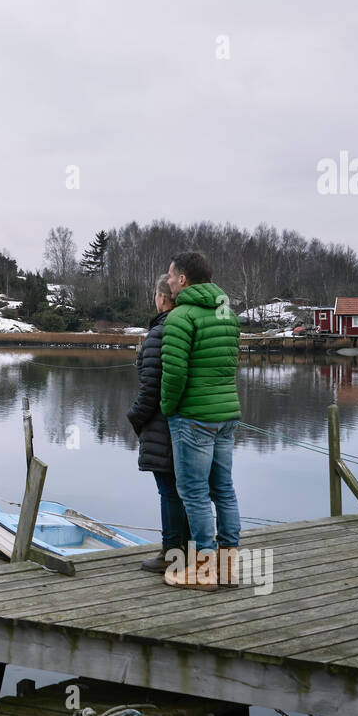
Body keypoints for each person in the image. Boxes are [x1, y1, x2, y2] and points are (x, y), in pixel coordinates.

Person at [160, 251, 242, 589]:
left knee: (192, 492)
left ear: (182, 279)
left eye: (170, 274)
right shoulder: (227, 313)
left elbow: (175, 372)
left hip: (193, 417)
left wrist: (168, 407)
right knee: (223, 489)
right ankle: (227, 566)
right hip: (226, 416)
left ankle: (204, 568)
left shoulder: (181, 316)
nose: (166, 280)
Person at [127, 275, 191, 572]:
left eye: (156, 294)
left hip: (162, 424)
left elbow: (150, 388)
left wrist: (135, 418)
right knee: (186, 489)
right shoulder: (189, 327)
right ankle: (188, 552)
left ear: (162, 298)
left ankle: (171, 553)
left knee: (168, 489)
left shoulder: (159, 333)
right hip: (191, 422)